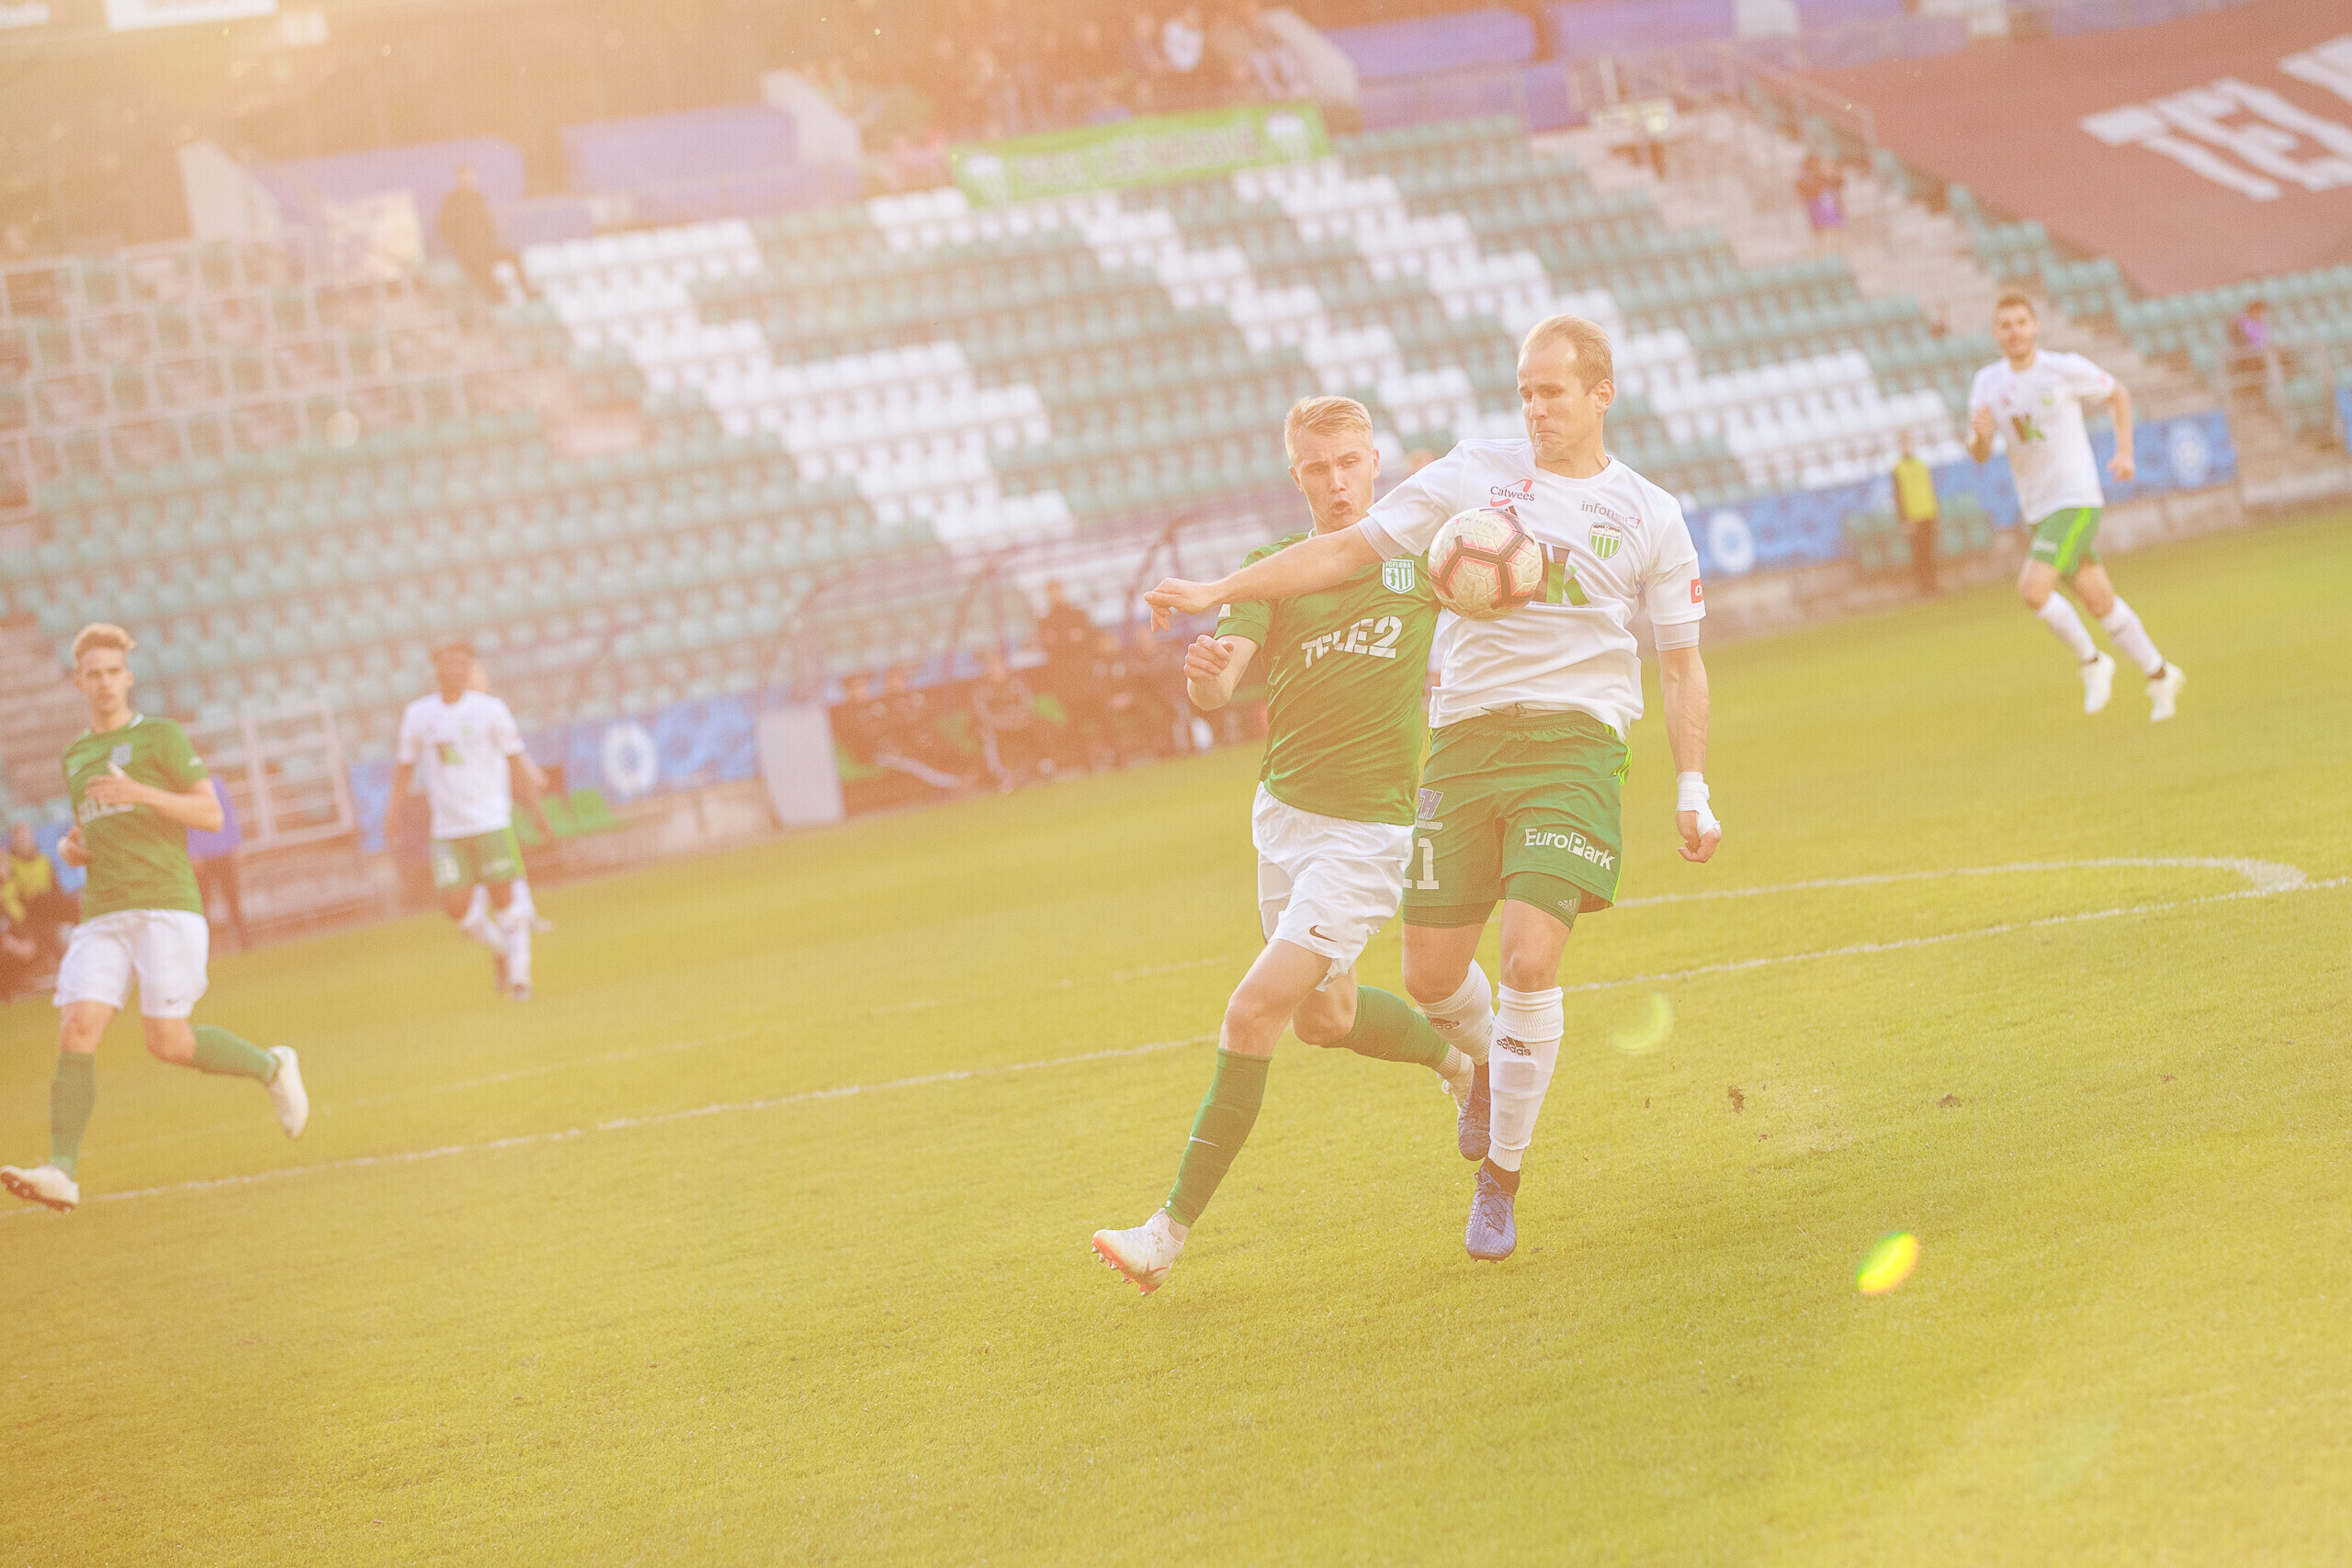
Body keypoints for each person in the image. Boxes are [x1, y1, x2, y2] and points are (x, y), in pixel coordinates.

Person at [1148, 315, 1722, 1263]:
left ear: (1601, 394)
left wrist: (1691, 786)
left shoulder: (1650, 514)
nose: (1535, 409)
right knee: (1427, 978)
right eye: (1525, 392)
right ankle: (1476, 1070)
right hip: (1462, 744)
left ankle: (1500, 1177)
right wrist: (1216, 590)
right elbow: (1342, 553)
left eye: (1552, 392)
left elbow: (1682, 662)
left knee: (1529, 959)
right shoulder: (1472, 475)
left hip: (1575, 743)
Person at [1093, 396, 1471, 1294]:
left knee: (1251, 1012)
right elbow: (1219, 684)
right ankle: (1460, 1063)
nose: (1336, 483)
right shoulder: (1272, 570)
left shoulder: (1425, 559)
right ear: (1295, 475)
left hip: (1367, 838)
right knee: (1324, 1020)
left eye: (1349, 463)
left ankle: (1163, 1235)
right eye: (1317, 468)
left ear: (1374, 464)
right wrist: (1206, 676)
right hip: (1284, 821)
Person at [1, 624, 308, 1213]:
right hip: (103, 912)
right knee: (77, 1027)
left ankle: (272, 1066)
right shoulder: (76, 755)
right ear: (78, 683)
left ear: (129, 677)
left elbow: (211, 815)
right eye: (93, 674)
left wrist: (142, 793)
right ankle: (61, 1170)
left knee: (168, 1041)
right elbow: (88, 828)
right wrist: (69, 848)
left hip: (166, 904)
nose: (104, 683)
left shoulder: (162, 737)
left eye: (113, 672)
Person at [1966, 292, 2187, 721]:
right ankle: (2160, 674)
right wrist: (1980, 436)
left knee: (2033, 591)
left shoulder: (2062, 368)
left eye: (2021, 322)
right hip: (2038, 508)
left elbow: (2118, 394)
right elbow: (1978, 452)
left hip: (2076, 499)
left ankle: (2092, 661)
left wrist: (2125, 453)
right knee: (2101, 602)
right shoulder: (1987, 383)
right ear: (1995, 333)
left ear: (2035, 326)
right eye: (2005, 325)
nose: (2014, 332)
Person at [390, 637, 547, 1000]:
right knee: (455, 906)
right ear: (437, 668)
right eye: (448, 662)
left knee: (505, 900)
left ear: (469, 668)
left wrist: (536, 811)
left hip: (491, 821)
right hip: (448, 829)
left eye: (462, 662)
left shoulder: (491, 710)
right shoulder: (419, 714)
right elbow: (404, 768)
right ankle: (500, 950)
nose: (455, 669)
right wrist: (392, 813)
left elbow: (516, 762)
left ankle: (520, 977)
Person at [461, 660, 553, 964]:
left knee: (505, 860)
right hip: (476, 808)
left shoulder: (490, 710)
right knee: (493, 864)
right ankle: (486, 916)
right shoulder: (469, 714)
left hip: (494, 802)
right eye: (477, 674)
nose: (482, 678)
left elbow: (512, 750)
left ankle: (520, 913)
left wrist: (529, 770)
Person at [436, 164, 520, 303]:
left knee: (514, 257)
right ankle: (499, 301)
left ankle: (528, 293)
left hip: (484, 248)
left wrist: (488, 239)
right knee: (484, 272)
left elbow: (486, 222)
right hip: (468, 253)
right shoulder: (451, 201)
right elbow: (444, 227)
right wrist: (459, 246)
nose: (468, 180)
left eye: (470, 176)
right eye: (464, 177)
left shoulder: (478, 197)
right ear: (458, 179)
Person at [186, 775, 247, 952]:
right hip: (202, 856)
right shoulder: (186, 788)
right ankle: (204, 948)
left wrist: (235, 844)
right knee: (203, 904)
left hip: (224, 851)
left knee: (233, 900)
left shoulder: (217, 785)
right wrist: (192, 852)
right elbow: (186, 823)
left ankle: (244, 942)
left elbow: (229, 814)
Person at [4, 822, 75, 969]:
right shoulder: (10, 864)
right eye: (20, 838)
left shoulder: (44, 860)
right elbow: (11, 897)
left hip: (46, 908)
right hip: (25, 913)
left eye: (26, 836)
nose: (24, 841)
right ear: (14, 841)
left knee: (69, 904)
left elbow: (56, 890)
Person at [969, 652, 1041, 789]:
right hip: (997, 727)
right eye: (993, 667)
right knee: (986, 733)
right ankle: (1002, 775)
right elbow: (983, 715)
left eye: (1000, 666)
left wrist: (1019, 718)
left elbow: (1027, 704)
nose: (997, 670)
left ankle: (1040, 765)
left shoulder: (1017, 683)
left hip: (1018, 723)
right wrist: (1007, 723)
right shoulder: (981, 689)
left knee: (1037, 723)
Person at [1891, 431, 1940, 597]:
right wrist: (1904, 520)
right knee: (1919, 554)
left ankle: (1933, 586)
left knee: (1929, 552)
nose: (1907, 446)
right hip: (1913, 517)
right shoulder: (1898, 468)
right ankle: (1923, 588)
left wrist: (1935, 513)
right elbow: (1898, 496)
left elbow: (1930, 490)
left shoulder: (1921, 464)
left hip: (1927, 513)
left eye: (1909, 442)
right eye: (1904, 443)